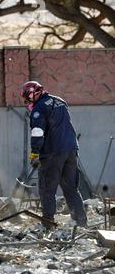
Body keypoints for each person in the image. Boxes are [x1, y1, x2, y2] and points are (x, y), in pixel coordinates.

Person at [21, 81, 87, 229]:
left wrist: (35, 153)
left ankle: (48, 224)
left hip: (52, 152)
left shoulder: (39, 108)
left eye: (28, 97)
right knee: (71, 188)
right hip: (71, 150)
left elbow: (38, 132)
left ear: (33, 93)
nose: (28, 101)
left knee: (47, 189)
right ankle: (81, 222)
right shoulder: (60, 101)